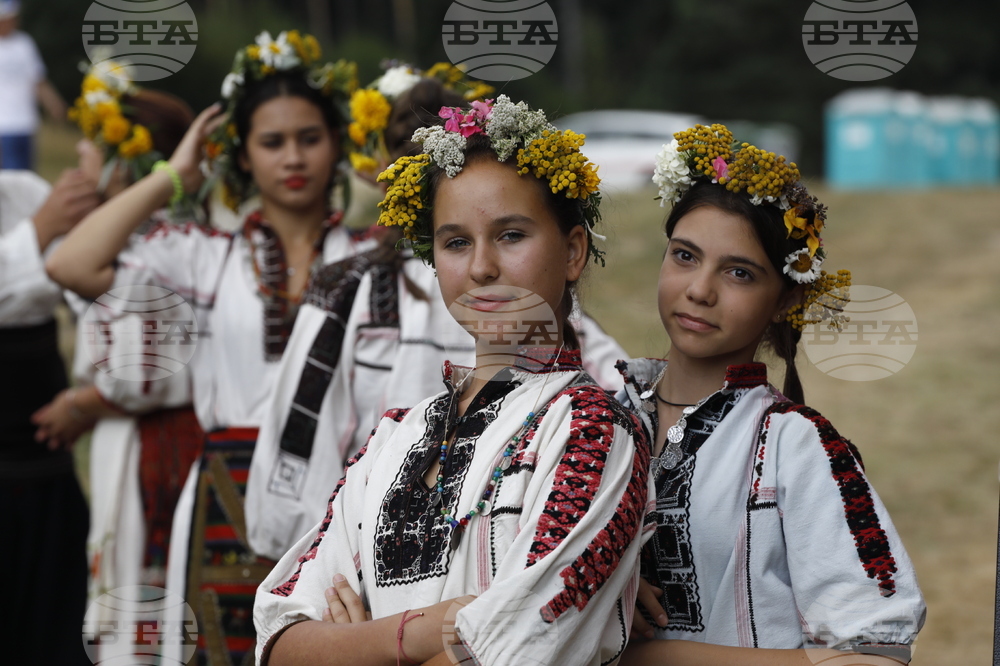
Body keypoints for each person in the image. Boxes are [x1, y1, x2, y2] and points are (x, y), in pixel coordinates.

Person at [253, 95, 652, 666]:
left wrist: (356, 645)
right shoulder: (395, 435)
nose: (482, 267)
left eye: (511, 235)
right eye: (456, 242)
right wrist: (431, 628)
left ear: (572, 250)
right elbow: (279, 638)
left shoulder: (592, 432)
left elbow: (509, 646)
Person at [46, 30, 367, 665]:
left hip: (341, 491)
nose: (292, 157)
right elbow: (70, 263)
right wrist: (173, 172)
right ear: (242, 156)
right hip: (227, 485)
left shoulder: (368, 259)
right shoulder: (204, 256)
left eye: (310, 137)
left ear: (337, 145)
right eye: (271, 142)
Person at [616, 124, 925, 664]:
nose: (699, 290)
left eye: (739, 273)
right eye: (684, 256)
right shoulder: (597, 416)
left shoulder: (798, 445)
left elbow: (875, 652)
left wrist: (647, 656)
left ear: (784, 300)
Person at [0, 164, 99, 663]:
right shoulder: (39, 211)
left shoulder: (24, 191)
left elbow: (89, 282)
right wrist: (37, 233)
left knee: (52, 631)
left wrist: (97, 394)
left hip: (46, 460)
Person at [0, 0, 66, 169]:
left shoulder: (24, 43)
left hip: (27, 123)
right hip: (4, 126)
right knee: (11, 179)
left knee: (27, 176)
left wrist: (54, 103)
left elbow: (38, 80)